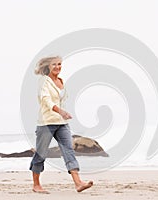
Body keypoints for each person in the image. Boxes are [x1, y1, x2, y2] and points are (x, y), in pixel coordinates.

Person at [29, 55, 93, 194]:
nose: (58, 67)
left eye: (59, 64)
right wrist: (60, 111)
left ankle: (78, 183)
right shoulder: (44, 81)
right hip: (46, 122)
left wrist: (64, 113)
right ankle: (36, 185)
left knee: (69, 150)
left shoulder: (61, 81)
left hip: (62, 123)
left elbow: (62, 99)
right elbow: (46, 100)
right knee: (41, 154)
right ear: (47, 67)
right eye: (54, 65)